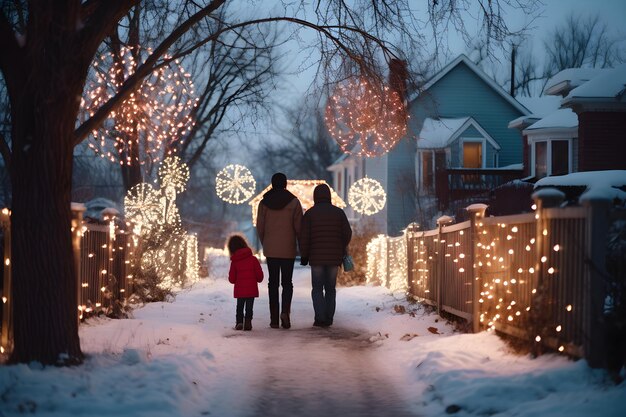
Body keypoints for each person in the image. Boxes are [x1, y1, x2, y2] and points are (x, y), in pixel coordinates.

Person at [299, 183, 352, 327]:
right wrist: (340, 246)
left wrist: (304, 255)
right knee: (330, 289)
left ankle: (320, 317)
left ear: (315, 196)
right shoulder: (339, 213)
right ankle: (329, 318)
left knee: (317, 288)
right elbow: (348, 233)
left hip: (316, 258)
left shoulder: (310, 214)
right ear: (329, 196)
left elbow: (304, 237)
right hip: (334, 258)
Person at [256, 173, 303, 329]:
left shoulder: (263, 203)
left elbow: (260, 228)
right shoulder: (294, 202)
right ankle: (285, 313)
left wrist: (266, 243)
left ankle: (274, 318)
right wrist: (299, 244)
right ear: (285, 184)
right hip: (288, 248)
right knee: (287, 283)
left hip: (271, 248)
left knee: (273, 283)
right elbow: (299, 228)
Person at [227, 234, 264, 331]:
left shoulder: (234, 262)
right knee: (249, 307)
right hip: (251, 289)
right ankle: (248, 322)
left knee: (239, 307)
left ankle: (239, 322)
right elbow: (260, 277)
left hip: (240, 290)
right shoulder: (253, 259)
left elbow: (232, 279)